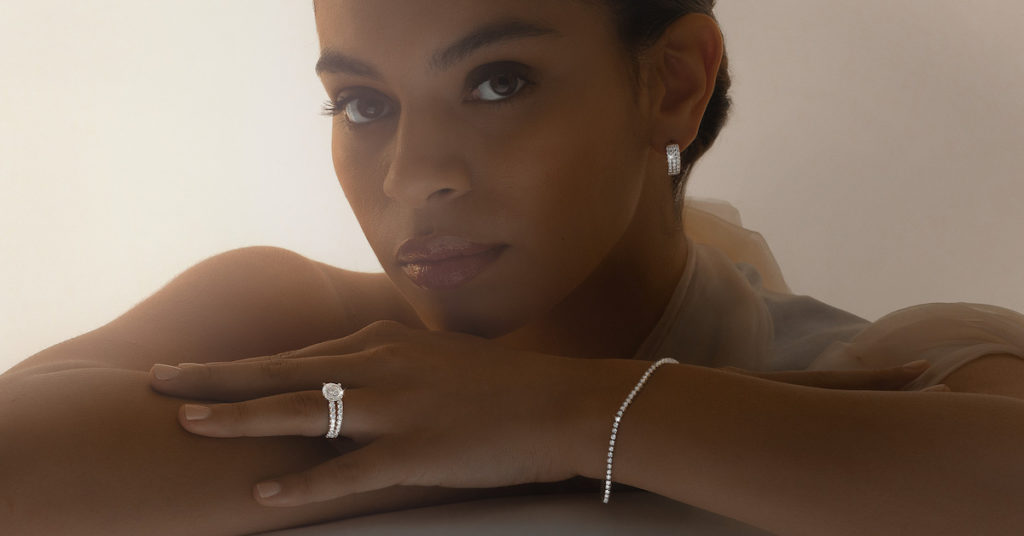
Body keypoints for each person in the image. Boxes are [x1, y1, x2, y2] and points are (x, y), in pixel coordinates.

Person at [3, 1, 1024, 534]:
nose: (413, 176)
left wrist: (567, 416)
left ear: (672, 82)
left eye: (497, 81)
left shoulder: (893, 366)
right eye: (362, 103)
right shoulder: (271, 316)